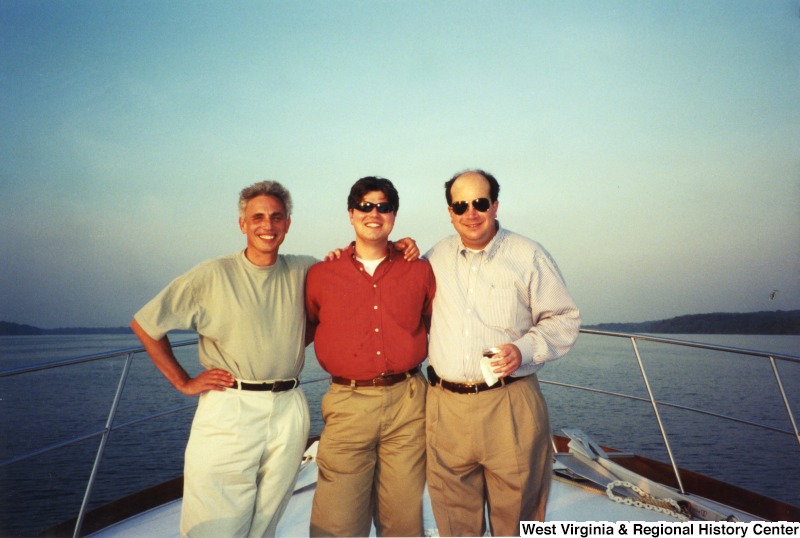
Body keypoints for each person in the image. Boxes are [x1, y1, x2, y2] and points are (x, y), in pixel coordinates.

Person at [424, 169, 581, 536]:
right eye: (460, 205)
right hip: (445, 408)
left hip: (509, 404)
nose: (471, 213)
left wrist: (522, 349)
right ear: (450, 211)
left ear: (495, 205)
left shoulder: (528, 255)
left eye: (480, 203)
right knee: (453, 519)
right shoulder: (433, 258)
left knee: (517, 517)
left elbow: (564, 319)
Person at [305, 177, 436, 537]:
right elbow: (305, 327)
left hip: (408, 403)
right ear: (350, 214)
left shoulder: (420, 269)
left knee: (403, 518)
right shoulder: (321, 275)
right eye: (365, 206)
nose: (373, 213)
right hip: (348, 403)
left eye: (383, 206)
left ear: (393, 215)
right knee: (338, 520)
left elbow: (434, 322)